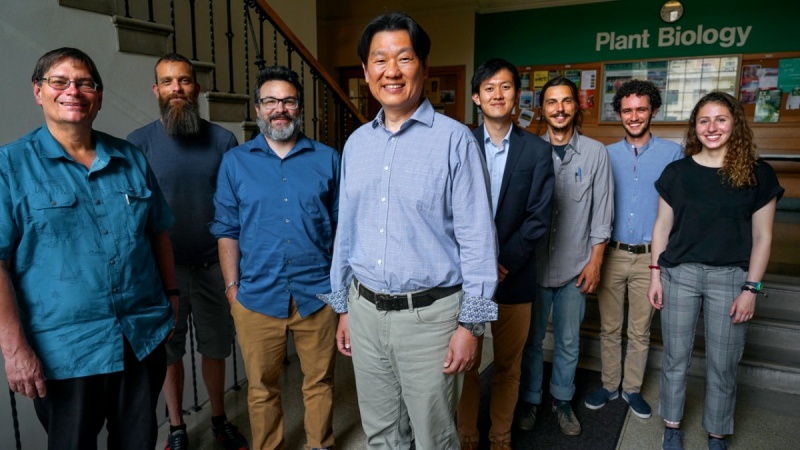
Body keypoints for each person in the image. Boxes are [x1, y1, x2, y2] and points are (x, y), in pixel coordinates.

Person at [320, 12, 498, 450]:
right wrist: (344, 308)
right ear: (366, 72)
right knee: (380, 434)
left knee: (435, 437)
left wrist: (471, 327)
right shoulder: (357, 144)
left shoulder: (455, 141)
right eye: (379, 60)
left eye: (404, 58)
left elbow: (478, 240)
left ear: (423, 66)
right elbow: (347, 232)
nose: (391, 71)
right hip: (364, 312)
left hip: (431, 320)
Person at [0, 47, 177, 450]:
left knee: (138, 442)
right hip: (64, 352)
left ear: (98, 96)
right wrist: (14, 350)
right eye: (59, 82)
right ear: (38, 91)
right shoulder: (9, 166)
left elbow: (158, 232)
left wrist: (172, 295)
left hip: (140, 338)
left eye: (85, 83)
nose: (73, 91)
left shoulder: (130, 157)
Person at [211, 65, 340, 450]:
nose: (279, 109)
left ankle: (320, 445)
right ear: (257, 108)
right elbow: (227, 228)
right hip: (255, 295)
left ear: (300, 107)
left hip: (318, 294)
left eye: (288, 101)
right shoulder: (235, 162)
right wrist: (232, 289)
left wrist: (340, 292)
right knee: (261, 388)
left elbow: (343, 230)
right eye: (270, 101)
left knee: (319, 382)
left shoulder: (328, 159)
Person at [648, 92, 783, 450]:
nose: (712, 127)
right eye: (704, 120)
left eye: (721, 119)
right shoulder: (677, 173)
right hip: (680, 275)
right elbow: (662, 226)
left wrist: (751, 289)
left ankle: (717, 433)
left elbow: (763, 236)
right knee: (675, 358)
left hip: (731, 279)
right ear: (694, 126)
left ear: (735, 124)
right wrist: (655, 275)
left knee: (723, 363)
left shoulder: (758, 174)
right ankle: (672, 425)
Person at [126, 53, 247, 450]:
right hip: (166, 270)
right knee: (169, 351)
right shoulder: (137, 144)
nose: (176, 88)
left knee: (216, 346)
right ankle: (177, 427)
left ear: (197, 88)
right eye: (167, 81)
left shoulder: (223, 141)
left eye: (184, 80)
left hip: (215, 265)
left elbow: (236, 207)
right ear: (156, 90)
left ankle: (218, 420)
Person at [456, 58, 554, 450]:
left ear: (517, 95)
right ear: (476, 97)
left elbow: (538, 217)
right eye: (489, 88)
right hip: (468, 280)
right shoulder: (459, 144)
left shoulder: (537, 151)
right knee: (466, 363)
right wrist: (478, 264)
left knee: (508, 366)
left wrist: (502, 263)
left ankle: (500, 436)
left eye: (506, 87)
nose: (498, 94)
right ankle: (466, 433)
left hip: (514, 276)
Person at [516, 76, 614, 436]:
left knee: (569, 342)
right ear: (543, 109)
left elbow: (602, 213)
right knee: (531, 342)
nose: (559, 109)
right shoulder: (529, 150)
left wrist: (596, 261)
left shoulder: (596, 153)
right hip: (533, 269)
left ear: (577, 106)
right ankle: (530, 399)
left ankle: (561, 400)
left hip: (576, 267)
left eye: (566, 101)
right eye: (552, 102)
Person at [584, 80, 683, 419]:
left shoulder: (672, 154)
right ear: (619, 114)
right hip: (611, 254)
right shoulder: (605, 154)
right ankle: (609, 384)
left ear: (653, 111)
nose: (634, 116)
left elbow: (679, 207)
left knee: (640, 330)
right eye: (627, 110)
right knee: (609, 327)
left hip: (650, 258)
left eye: (641, 109)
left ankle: (632, 388)